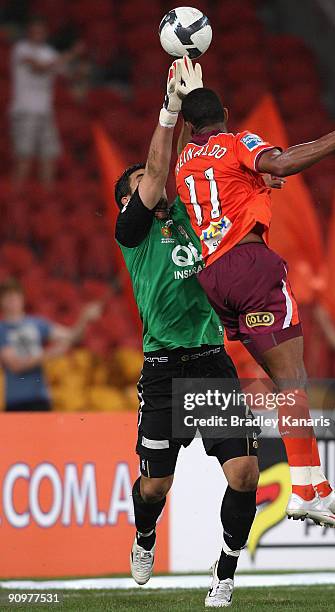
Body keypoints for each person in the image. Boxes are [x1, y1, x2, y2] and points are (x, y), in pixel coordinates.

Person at [175, 87, 335, 526]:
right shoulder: (238, 141)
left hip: (215, 276)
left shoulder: (184, 162)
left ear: (188, 126)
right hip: (251, 264)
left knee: (288, 383)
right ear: (224, 114)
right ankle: (303, 491)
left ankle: (318, 485)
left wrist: (261, 182)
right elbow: (280, 161)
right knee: (292, 380)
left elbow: (226, 187)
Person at [115, 58, 259, 608]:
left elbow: (198, 174)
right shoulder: (132, 233)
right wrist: (170, 109)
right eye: (140, 189)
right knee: (155, 486)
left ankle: (224, 571)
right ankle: (145, 535)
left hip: (210, 363)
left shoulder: (194, 218)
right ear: (127, 204)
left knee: (245, 472)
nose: (153, 190)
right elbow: (155, 175)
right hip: (163, 368)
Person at [0, 278, 102, 411]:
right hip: (16, 400)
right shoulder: (2, 329)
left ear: (22, 298)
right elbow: (15, 365)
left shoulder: (37, 323)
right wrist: (51, 353)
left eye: (15, 296)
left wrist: (84, 318)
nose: (13, 301)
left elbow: (72, 336)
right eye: (8, 297)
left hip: (41, 398)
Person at [10, 17, 82, 188]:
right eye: (35, 31)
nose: (38, 34)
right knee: (24, 158)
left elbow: (68, 73)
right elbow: (40, 67)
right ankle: (16, 198)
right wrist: (72, 53)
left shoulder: (48, 52)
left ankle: (48, 199)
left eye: (41, 31)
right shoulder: (21, 49)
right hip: (25, 111)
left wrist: (80, 69)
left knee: (48, 156)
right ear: (29, 32)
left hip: (45, 112)